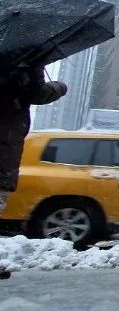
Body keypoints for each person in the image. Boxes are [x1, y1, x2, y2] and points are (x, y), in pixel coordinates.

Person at [1, 68, 66, 216]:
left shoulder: (8, 52)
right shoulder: (27, 58)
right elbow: (37, 94)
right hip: (5, 147)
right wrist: (59, 87)